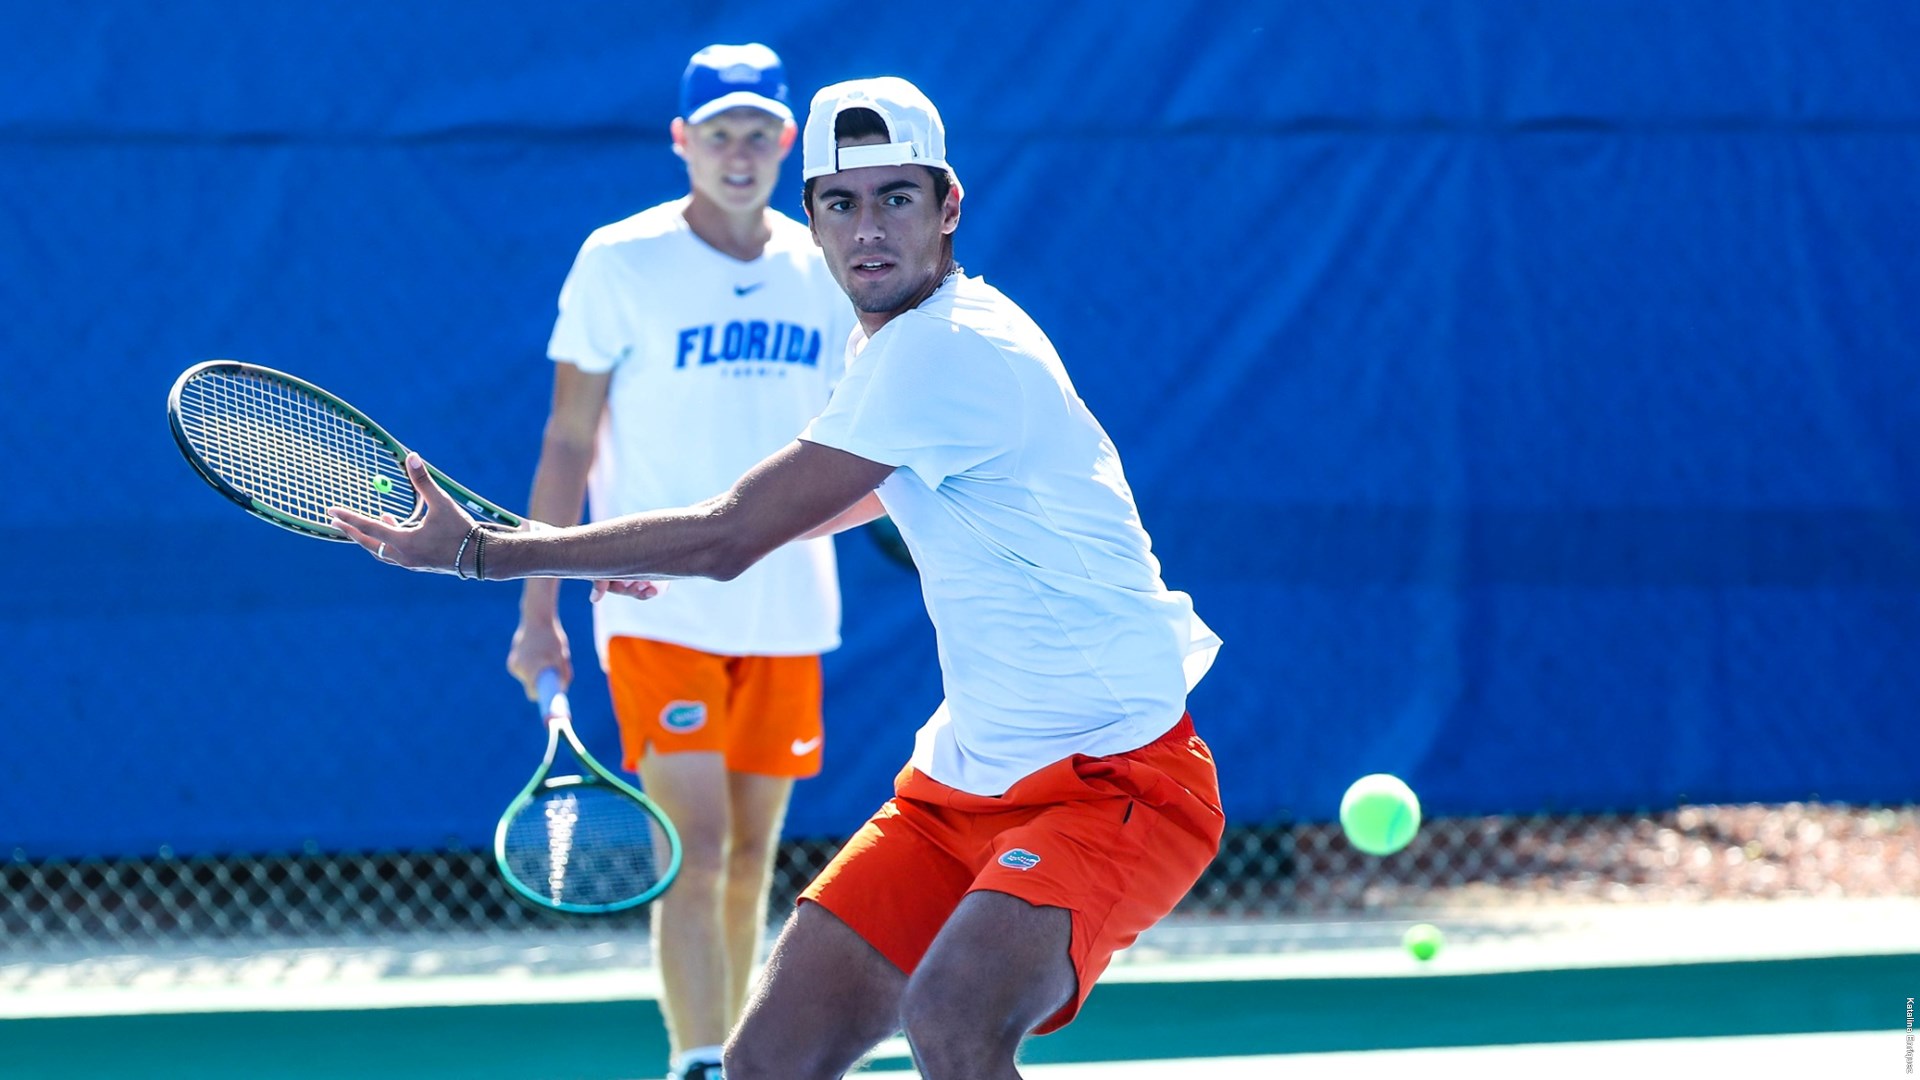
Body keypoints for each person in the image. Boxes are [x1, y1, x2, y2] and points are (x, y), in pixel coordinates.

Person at [335, 75, 1224, 1080]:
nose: (869, 230)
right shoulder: (886, 346)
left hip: (1119, 779)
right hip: (960, 788)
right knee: (768, 1062)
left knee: (955, 1024)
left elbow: (730, 536)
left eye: (897, 197)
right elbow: (816, 511)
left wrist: (488, 552)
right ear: (812, 220)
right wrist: (629, 547)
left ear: (949, 207)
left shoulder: (951, 349)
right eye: (841, 204)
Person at [504, 43, 855, 1080]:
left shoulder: (825, 266)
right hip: (654, 604)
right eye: (717, 135)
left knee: (751, 857)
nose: (737, 154)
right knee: (693, 851)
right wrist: (540, 608)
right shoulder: (619, 261)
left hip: (788, 607)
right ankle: (698, 1059)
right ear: (681, 142)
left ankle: (737, 1062)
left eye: (757, 134)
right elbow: (569, 440)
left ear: (786, 143)